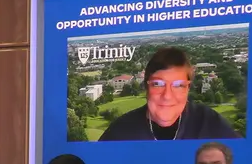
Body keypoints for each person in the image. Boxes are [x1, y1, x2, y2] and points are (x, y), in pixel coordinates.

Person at [98, 47, 238, 142]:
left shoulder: (211, 125)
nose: (167, 96)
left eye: (178, 85)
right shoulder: (120, 132)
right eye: (158, 84)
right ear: (146, 87)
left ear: (188, 88)